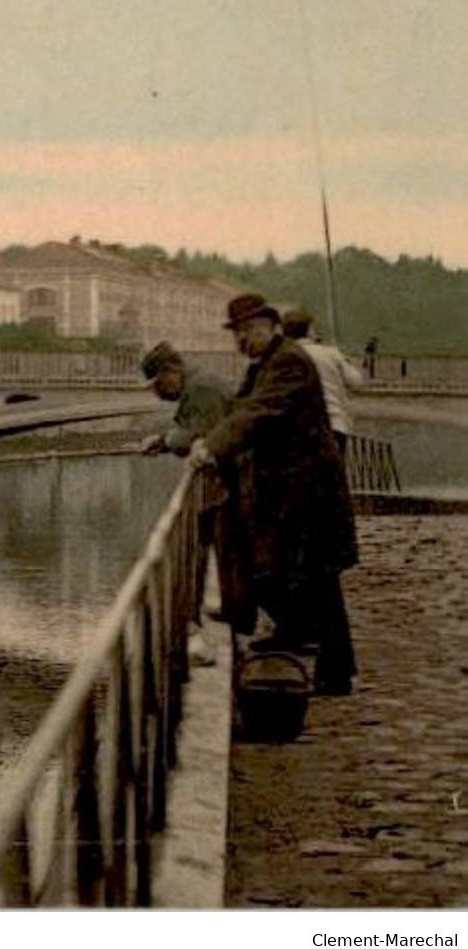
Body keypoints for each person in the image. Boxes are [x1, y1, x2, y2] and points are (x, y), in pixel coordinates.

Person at [189, 294, 358, 695]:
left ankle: (337, 673)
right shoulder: (265, 363)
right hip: (291, 489)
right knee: (295, 570)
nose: (243, 340)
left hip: (310, 489)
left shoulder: (288, 362)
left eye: (249, 330)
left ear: (271, 327)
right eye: (237, 334)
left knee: (320, 579)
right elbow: (238, 409)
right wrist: (207, 437)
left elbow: (258, 413)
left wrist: (212, 446)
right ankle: (298, 636)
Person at [139, 341, 248, 646]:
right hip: (233, 477)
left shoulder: (202, 390)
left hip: (238, 479)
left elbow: (205, 435)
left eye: (157, 383)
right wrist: (165, 442)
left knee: (231, 542)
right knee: (227, 542)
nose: (157, 391)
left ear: (172, 372)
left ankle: (238, 612)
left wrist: (165, 440)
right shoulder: (200, 386)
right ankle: (234, 609)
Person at [282, 309, 362, 456]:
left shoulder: (281, 357)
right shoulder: (330, 353)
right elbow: (356, 381)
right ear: (309, 330)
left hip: (295, 429)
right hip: (333, 425)